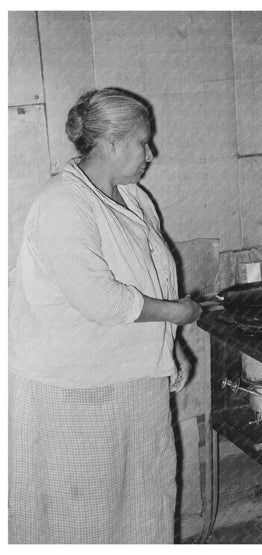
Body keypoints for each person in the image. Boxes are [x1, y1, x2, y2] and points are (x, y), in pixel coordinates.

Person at [8, 87, 202, 544]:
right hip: (75, 395)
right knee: (84, 518)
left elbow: (150, 279)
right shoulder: (61, 203)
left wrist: (171, 347)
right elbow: (105, 301)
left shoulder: (133, 197)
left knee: (142, 504)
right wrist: (181, 312)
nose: (150, 153)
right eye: (142, 142)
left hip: (131, 388)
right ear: (112, 143)